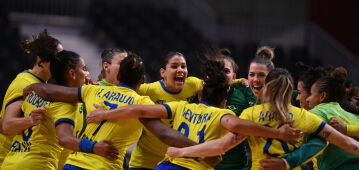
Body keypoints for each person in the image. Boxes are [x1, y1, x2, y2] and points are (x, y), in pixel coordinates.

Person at [85, 52, 303, 170]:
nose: (180, 71)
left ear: (201, 92)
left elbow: (135, 106)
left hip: (166, 164)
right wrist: (278, 133)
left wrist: (104, 111)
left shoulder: (182, 105)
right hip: (179, 164)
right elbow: (233, 131)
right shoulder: (223, 115)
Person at [22, 52, 204, 170]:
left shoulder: (93, 90)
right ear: (142, 80)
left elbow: (49, 91)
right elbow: (164, 133)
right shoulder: (142, 103)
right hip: (104, 166)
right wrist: (200, 149)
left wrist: (32, 86)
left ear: (119, 76)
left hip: (72, 165)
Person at [165, 68, 359, 170]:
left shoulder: (251, 114)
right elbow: (346, 142)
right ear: (289, 89)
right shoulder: (303, 116)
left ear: (266, 86)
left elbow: (221, 146)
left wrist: (182, 152)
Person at [1, 50, 119, 169]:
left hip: (11, 161)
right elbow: (64, 138)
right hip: (38, 164)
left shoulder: (33, 94)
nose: (88, 74)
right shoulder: (66, 104)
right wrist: (94, 147)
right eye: (84, 69)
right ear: (72, 74)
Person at [215, 46, 300, 170]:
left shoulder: (288, 95)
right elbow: (224, 81)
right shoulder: (243, 91)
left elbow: (310, 97)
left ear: (272, 77)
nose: (255, 80)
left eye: (261, 75)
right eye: (251, 75)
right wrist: (239, 81)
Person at [0, 29, 63, 166]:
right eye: (58, 59)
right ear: (42, 60)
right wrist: (30, 120)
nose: (61, 64)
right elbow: (6, 125)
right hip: (6, 156)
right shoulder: (24, 83)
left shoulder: (43, 85)